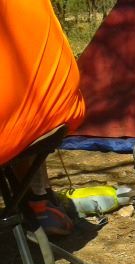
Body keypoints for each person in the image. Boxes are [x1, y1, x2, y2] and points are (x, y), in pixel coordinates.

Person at [0, 0, 85, 236]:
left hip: (16, 129)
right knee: (23, 118)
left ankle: (37, 200)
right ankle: (40, 198)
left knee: (14, 124)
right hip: (62, 111)